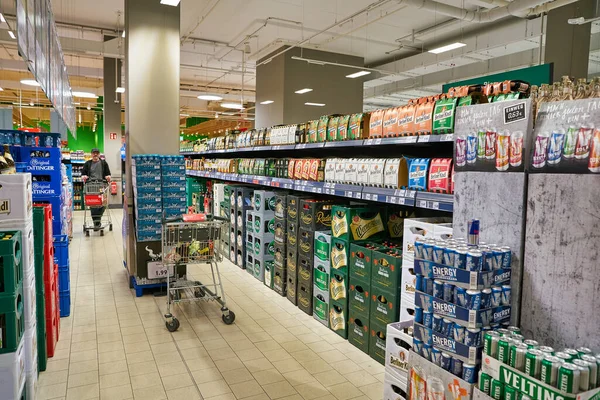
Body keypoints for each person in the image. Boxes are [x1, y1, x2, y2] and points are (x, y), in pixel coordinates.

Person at [81, 148, 111, 229]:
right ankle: (97, 223)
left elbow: (108, 174)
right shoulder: (87, 164)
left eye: (97, 153)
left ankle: (96, 221)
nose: (95, 155)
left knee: (103, 203)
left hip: (102, 186)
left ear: (99, 154)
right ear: (91, 154)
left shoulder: (104, 163)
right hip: (91, 187)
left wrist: (108, 177)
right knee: (93, 204)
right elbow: (83, 174)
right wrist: (84, 177)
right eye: (94, 153)